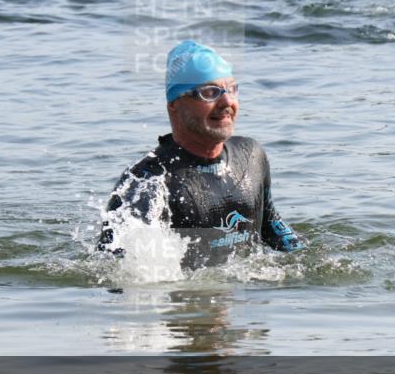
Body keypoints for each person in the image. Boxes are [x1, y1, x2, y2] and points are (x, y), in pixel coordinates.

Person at [99, 39, 305, 268]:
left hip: (242, 298)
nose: (227, 101)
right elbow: (115, 272)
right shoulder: (147, 181)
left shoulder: (251, 155)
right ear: (175, 104)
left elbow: (270, 224)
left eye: (232, 89)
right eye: (210, 92)